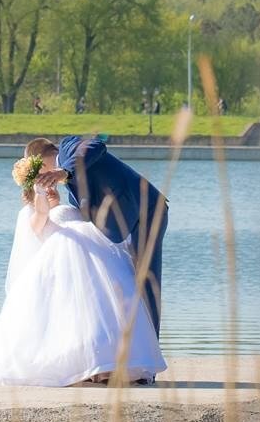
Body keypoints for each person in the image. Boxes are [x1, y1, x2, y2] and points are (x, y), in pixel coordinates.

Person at [0, 154, 167, 386]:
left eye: (50, 185)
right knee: (85, 321)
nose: (51, 190)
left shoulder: (72, 205)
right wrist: (41, 193)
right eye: (42, 186)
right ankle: (90, 368)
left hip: (99, 266)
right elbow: (41, 217)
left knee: (107, 316)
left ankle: (112, 367)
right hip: (70, 271)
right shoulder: (36, 216)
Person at [28, 135, 167, 338]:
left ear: (40, 163)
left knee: (147, 283)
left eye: (38, 172)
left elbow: (96, 145)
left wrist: (64, 171)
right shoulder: (71, 193)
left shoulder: (68, 147)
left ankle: (149, 360)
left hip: (147, 211)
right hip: (126, 229)